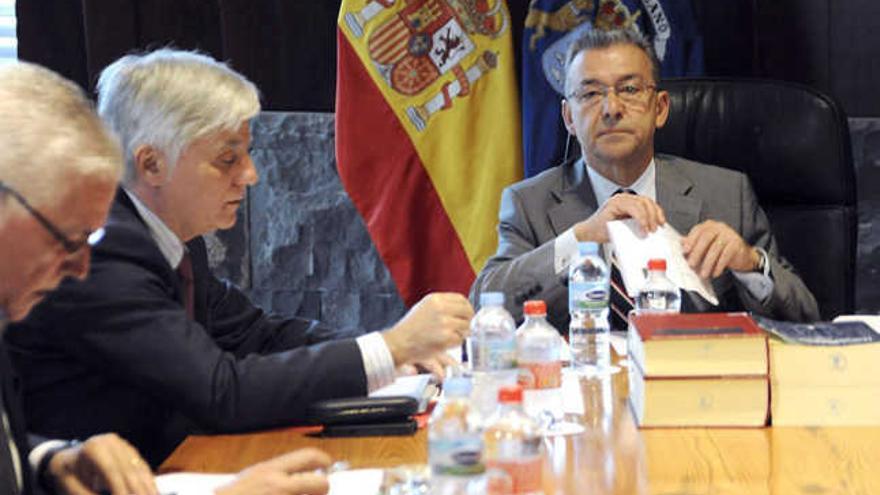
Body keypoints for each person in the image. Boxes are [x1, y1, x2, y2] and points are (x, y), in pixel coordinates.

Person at [6, 49, 473, 469]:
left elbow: (254, 332)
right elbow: (220, 391)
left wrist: (394, 353)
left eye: (247, 154)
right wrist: (390, 347)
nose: (249, 175)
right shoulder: (108, 249)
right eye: (228, 159)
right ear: (152, 165)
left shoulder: (170, 238)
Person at [0, 61, 336, 495]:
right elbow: (221, 391)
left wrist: (50, 459)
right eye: (69, 238)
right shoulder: (109, 258)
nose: (81, 267)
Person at [471, 29, 819, 331]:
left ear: (661, 108)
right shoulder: (529, 203)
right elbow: (486, 306)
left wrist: (749, 263)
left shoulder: (726, 194)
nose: (611, 108)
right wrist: (579, 239)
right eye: (590, 94)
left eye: (630, 89)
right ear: (569, 118)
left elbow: (806, 318)